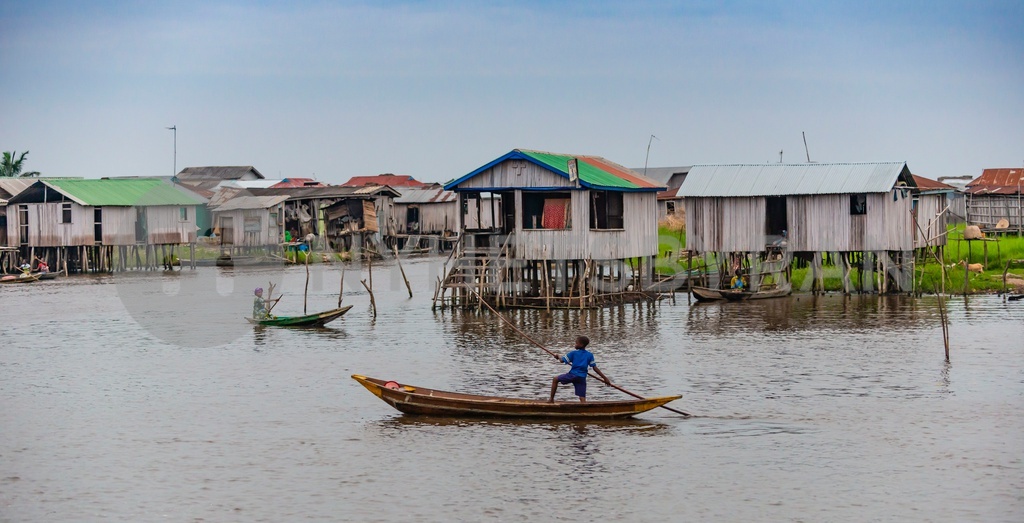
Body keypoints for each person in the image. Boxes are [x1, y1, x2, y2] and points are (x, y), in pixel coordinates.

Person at [549, 336, 611, 403]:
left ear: (581, 345)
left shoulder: (573, 353)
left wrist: (558, 356)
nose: (575, 344)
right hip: (582, 378)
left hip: (573, 375)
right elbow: (594, 368)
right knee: (582, 397)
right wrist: (605, 378)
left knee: (555, 379)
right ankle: (584, 409)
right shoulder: (589, 355)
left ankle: (551, 399)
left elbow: (562, 360)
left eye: (576, 343)